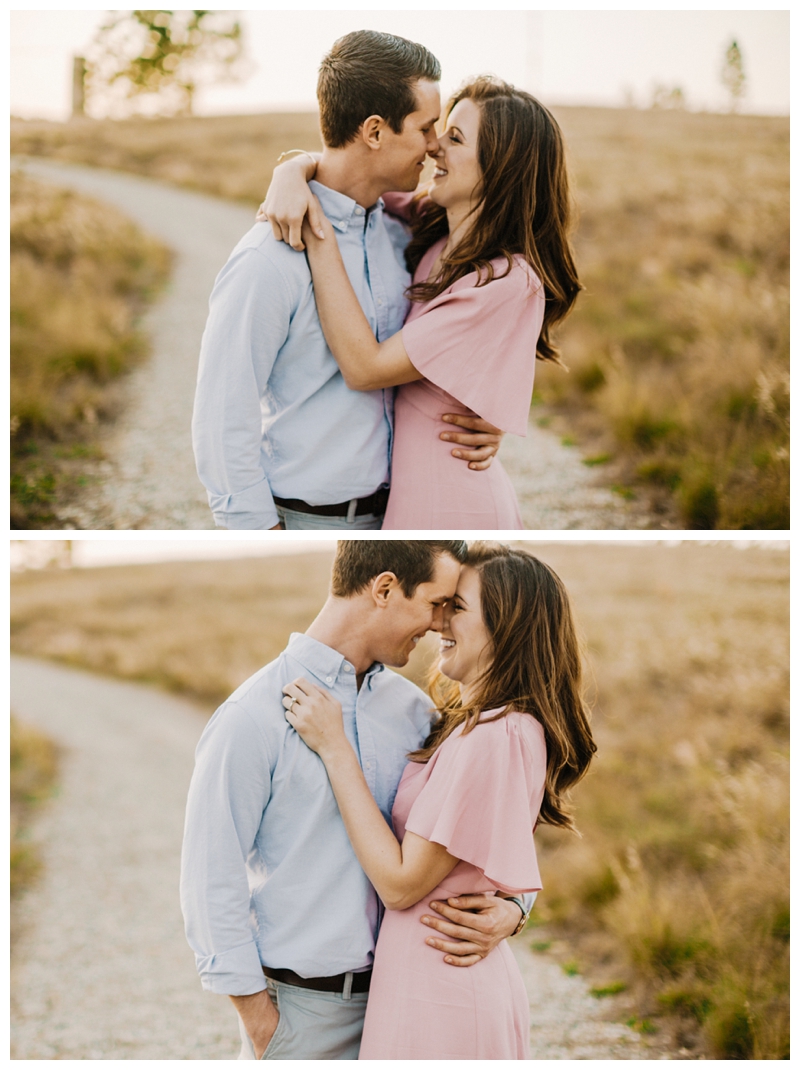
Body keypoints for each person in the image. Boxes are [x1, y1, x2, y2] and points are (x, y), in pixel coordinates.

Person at [179, 541, 534, 1060]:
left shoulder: (414, 711)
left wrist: (514, 907)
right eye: (436, 603)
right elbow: (209, 878)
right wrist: (261, 1021)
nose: (440, 625)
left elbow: (484, 819)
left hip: (413, 1001)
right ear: (386, 588)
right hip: (305, 1015)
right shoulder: (251, 716)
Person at [281, 543, 597, 1058]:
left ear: (507, 627)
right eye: (440, 604)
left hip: (440, 992)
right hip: (430, 979)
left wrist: (335, 748)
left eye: (457, 607)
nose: (438, 623)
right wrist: (515, 908)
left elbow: (402, 886)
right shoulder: (486, 727)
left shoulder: (496, 736)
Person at [191, 31, 506, 530]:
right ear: (375, 132)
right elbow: (221, 418)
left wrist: (488, 418)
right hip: (304, 521)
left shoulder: (403, 234)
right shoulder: (267, 260)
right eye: (426, 128)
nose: (433, 147)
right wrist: (261, 533)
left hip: (400, 518)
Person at [262, 77, 581, 529]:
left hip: (452, 502)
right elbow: (352, 177)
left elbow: (365, 368)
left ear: (501, 165)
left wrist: (318, 233)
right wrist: (291, 171)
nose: (434, 148)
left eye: (455, 137)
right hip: (411, 494)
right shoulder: (437, 225)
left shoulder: (507, 282)